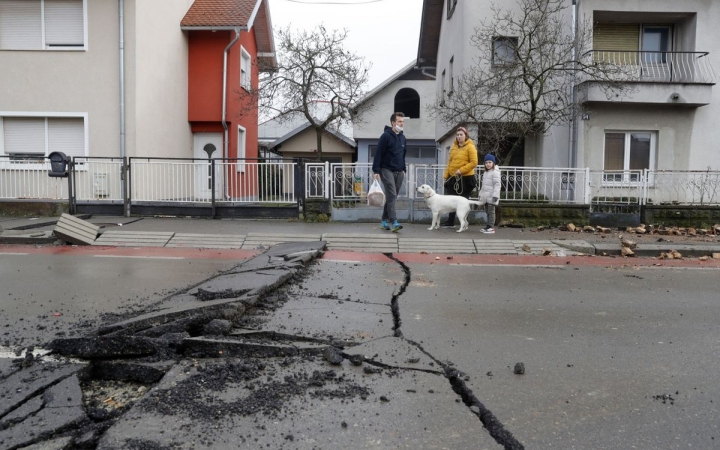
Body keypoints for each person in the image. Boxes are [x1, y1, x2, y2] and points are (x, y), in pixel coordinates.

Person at [372, 112, 406, 232]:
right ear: (393, 123)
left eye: (402, 121)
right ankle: (394, 221)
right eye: (399, 121)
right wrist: (376, 170)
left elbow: (403, 155)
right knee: (392, 195)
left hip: (399, 171)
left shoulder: (403, 137)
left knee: (392, 197)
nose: (401, 123)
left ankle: (384, 220)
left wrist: (404, 169)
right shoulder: (385, 136)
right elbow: (378, 154)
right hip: (386, 169)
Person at [441, 126, 479, 228]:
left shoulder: (470, 146)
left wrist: (461, 170)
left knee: (463, 201)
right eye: (457, 135)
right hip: (453, 177)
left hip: (466, 179)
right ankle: (450, 221)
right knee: (451, 200)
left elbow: (474, 162)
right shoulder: (454, 146)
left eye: (461, 135)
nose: (459, 137)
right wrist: (446, 175)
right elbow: (450, 161)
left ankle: (464, 222)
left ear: (466, 135)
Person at [479, 154, 501, 233]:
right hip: (486, 197)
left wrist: (495, 195)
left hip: (492, 197)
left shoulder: (495, 172)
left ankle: (491, 227)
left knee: (491, 212)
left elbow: (497, 185)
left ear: (493, 163)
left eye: (490, 162)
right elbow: (483, 186)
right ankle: (488, 226)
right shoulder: (486, 173)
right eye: (486, 162)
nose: (488, 164)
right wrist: (481, 194)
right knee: (487, 212)